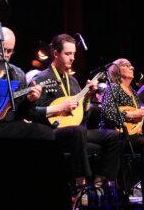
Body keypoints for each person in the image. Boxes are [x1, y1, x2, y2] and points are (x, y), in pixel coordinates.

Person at [28, 34, 122, 193]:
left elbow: (80, 116)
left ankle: (99, 185)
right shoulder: (41, 78)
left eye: (74, 54)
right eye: (68, 53)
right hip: (51, 131)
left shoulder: (73, 81)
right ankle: (81, 187)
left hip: (74, 129)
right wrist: (59, 109)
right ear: (55, 53)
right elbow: (31, 114)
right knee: (78, 131)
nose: (72, 58)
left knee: (113, 135)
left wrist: (87, 99)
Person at [99, 58, 144, 182]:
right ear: (116, 70)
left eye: (131, 65)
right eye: (127, 65)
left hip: (134, 132)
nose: (132, 68)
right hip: (118, 134)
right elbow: (108, 113)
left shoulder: (133, 92)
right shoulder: (114, 88)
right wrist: (130, 115)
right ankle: (142, 184)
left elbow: (140, 115)